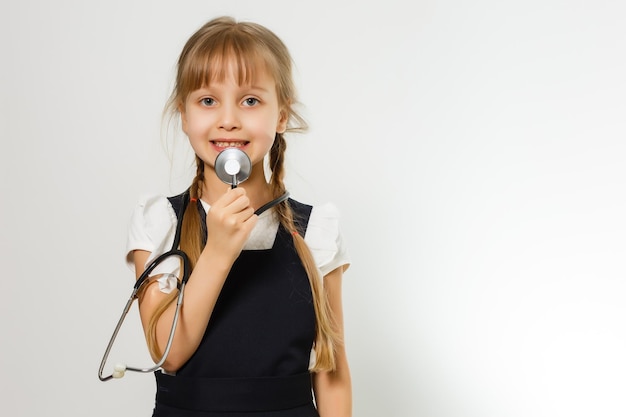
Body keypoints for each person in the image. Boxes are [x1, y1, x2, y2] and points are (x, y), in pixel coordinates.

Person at [125, 16, 352, 417]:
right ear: (184, 115)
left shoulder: (314, 231)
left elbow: (331, 372)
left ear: (281, 115)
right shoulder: (160, 221)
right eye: (208, 101)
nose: (228, 119)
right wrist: (217, 251)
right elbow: (169, 353)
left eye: (250, 101)